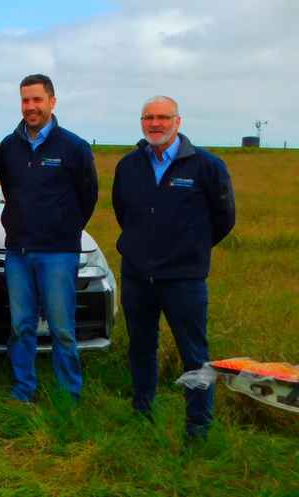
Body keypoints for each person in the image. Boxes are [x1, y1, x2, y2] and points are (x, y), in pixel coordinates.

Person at [112, 95, 235, 440]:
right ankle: (142, 413)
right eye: (148, 117)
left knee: (194, 354)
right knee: (141, 347)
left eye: (163, 117)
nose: (155, 124)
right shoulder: (129, 166)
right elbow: (123, 212)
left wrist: (189, 249)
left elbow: (224, 218)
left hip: (184, 279)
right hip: (137, 275)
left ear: (178, 122)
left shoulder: (207, 166)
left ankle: (198, 426)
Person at [0, 74, 98, 403]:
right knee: (21, 326)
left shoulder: (74, 147)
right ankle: (22, 390)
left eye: (37, 100)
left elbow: (88, 196)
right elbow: (10, 191)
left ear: (52, 102)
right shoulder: (8, 147)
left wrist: (63, 230)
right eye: (25, 100)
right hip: (18, 252)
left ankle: (68, 394)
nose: (31, 107)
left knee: (62, 328)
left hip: (58, 253)